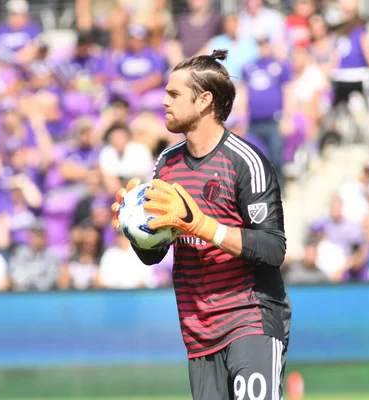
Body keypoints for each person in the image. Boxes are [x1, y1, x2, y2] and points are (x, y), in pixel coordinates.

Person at [111, 50, 291, 399]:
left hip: (249, 318)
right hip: (198, 331)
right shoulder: (166, 163)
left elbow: (273, 248)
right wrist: (135, 230)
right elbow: (155, 254)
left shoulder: (246, 162)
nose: (163, 101)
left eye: (174, 94)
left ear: (205, 100)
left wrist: (201, 225)